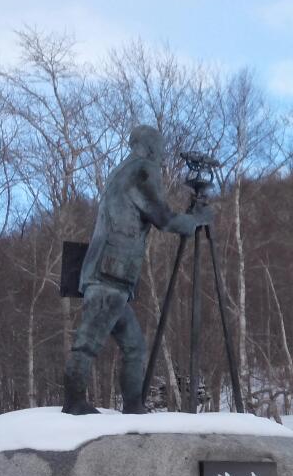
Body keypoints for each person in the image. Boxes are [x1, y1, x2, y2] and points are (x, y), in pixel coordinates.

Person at [63, 125, 211, 415]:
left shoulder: (121, 171)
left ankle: (133, 404)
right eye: (161, 148)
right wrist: (194, 220)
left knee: (134, 346)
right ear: (151, 147)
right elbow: (163, 218)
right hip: (111, 274)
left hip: (111, 274)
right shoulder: (142, 170)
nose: (163, 156)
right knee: (88, 342)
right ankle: (74, 402)